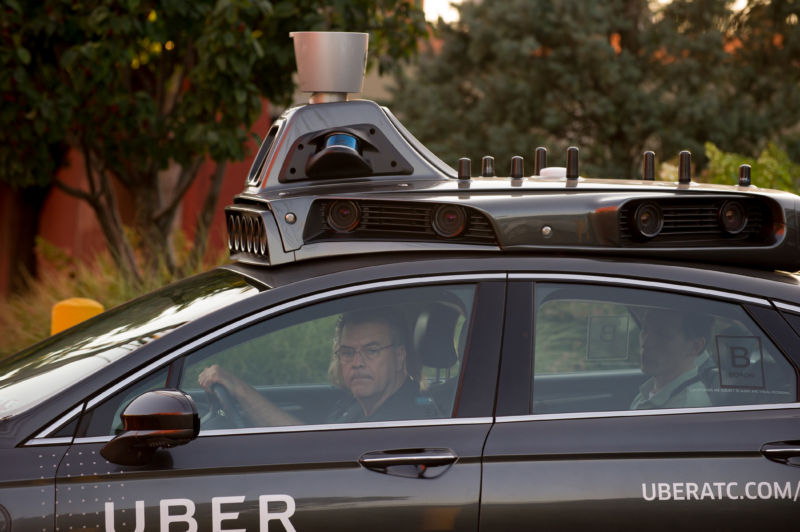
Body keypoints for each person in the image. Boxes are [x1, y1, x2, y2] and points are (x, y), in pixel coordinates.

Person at [198, 308, 439, 426]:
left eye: (372, 350)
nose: (357, 362)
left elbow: (310, 448)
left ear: (399, 357)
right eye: (347, 352)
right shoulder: (359, 404)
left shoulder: (403, 420)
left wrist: (240, 390)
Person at [630, 308, 713, 410]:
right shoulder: (650, 392)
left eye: (662, 335)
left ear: (695, 346)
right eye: (645, 329)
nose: (646, 343)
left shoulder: (685, 408)